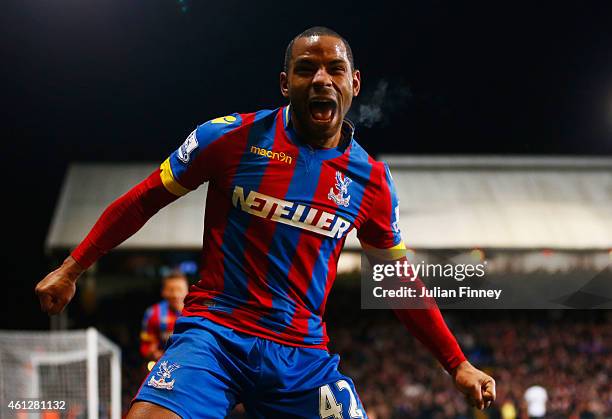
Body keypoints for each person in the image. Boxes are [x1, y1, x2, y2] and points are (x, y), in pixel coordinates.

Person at [36, 26, 496, 418]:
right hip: (214, 337)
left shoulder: (371, 181)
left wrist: (457, 364)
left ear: (354, 83)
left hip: (302, 359)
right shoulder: (229, 137)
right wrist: (72, 267)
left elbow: (396, 280)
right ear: (284, 82)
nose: (321, 78)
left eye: (334, 69)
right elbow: (143, 201)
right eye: (306, 69)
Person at [140, 272, 189, 362]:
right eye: (170, 290)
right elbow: (146, 345)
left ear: (187, 291)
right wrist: (152, 353)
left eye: (179, 289)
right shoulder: (153, 313)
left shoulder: (197, 313)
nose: (175, 295)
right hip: (164, 364)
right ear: (163, 292)